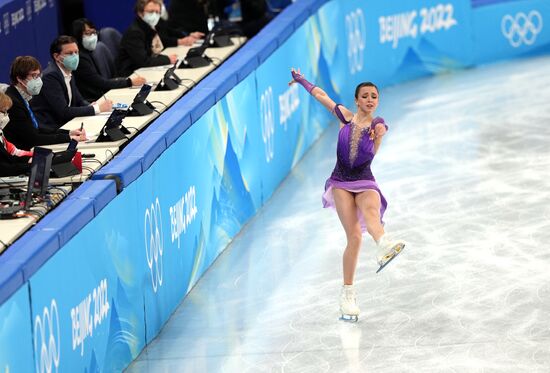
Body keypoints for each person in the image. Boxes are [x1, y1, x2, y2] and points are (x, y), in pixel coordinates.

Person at [289, 68, 406, 321]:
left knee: (372, 212)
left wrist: (379, 130)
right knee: (353, 236)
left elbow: (381, 126)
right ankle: (347, 294)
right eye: (365, 96)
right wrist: (302, 81)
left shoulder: (378, 124)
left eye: (374, 96)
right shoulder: (344, 117)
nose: (370, 99)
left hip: (365, 180)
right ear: (356, 100)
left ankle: (383, 244)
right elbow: (321, 95)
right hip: (341, 182)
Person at [30, 36, 113, 133]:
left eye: (76, 52)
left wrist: (91, 106)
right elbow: (63, 112)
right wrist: (96, 108)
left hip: (67, 124)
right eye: (69, 53)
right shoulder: (51, 76)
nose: (74, 56)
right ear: (56, 56)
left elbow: (80, 101)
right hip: (52, 129)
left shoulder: (68, 71)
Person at [4, 56, 87, 151]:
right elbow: (33, 139)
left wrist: (68, 133)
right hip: (22, 155)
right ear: (19, 79)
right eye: (33, 76)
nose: (38, 80)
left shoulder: (23, 96)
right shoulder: (13, 102)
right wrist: (68, 138)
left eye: (38, 75)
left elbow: (38, 128)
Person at [71, 18, 147, 102]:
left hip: (103, 95)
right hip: (95, 100)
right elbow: (101, 83)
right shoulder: (79, 59)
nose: (92, 36)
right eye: (88, 33)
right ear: (78, 36)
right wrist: (129, 82)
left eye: (94, 32)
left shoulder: (88, 53)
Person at [117, 0, 179, 77]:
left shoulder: (148, 28)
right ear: (140, 12)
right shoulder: (135, 32)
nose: (154, 15)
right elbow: (143, 61)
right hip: (130, 76)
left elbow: (151, 54)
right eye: (151, 11)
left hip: (142, 71)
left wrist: (167, 58)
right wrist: (167, 60)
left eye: (157, 12)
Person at [0, 92, 31, 176]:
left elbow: (12, 156)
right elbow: (3, 168)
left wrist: (31, 158)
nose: (6, 116)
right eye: (4, 112)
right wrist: (32, 165)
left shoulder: (1, 133)